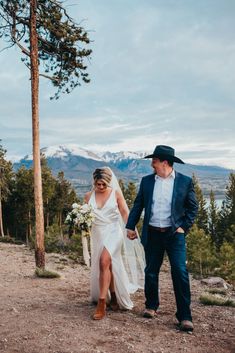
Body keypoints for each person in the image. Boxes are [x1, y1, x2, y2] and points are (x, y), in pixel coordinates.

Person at [126, 145, 198, 332]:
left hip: (174, 235)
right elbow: (138, 204)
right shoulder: (147, 181)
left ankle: (184, 316)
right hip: (152, 233)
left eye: (154, 161)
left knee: (180, 272)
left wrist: (184, 227)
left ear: (164, 162)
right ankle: (151, 306)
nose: (152, 164)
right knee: (151, 270)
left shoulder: (184, 182)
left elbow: (193, 208)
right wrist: (130, 226)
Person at [84, 167, 144, 320]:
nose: (102, 187)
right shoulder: (88, 196)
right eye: (99, 184)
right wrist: (81, 224)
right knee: (107, 265)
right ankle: (114, 296)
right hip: (97, 233)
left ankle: (102, 305)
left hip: (113, 232)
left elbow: (124, 212)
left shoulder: (115, 193)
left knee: (104, 261)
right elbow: (85, 217)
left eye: (104, 184)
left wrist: (130, 229)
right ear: (94, 182)